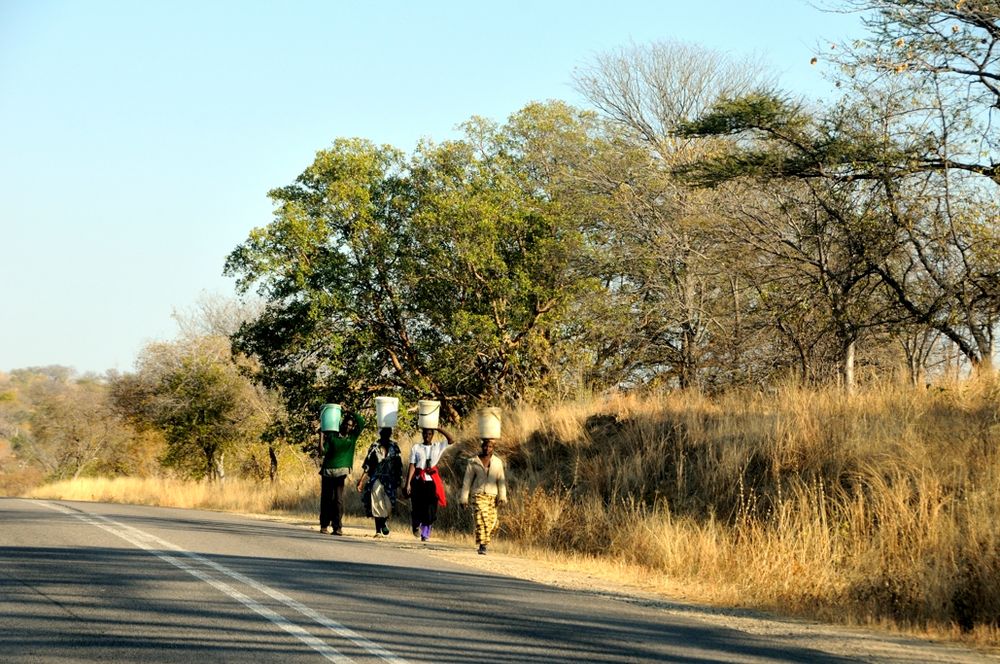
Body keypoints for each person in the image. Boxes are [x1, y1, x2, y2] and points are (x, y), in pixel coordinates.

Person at [318, 409, 365, 536]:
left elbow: (362, 422)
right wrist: (321, 436)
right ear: (341, 424)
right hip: (328, 471)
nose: (347, 427)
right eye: (346, 424)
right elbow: (322, 452)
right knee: (327, 498)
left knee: (338, 500)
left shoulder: (352, 437)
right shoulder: (333, 436)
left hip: (341, 471)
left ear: (352, 427)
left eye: (350, 425)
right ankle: (324, 525)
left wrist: (350, 411)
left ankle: (337, 527)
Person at [405, 426, 454, 542]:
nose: (427, 436)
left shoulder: (437, 446)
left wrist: (438, 428)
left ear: (433, 435)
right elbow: (412, 465)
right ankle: (416, 524)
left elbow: (451, 440)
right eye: (425, 434)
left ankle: (425, 534)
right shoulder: (416, 448)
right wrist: (408, 483)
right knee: (417, 506)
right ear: (422, 435)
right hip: (418, 481)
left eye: (430, 434)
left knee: (431, 508)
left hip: (431, 481)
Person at [459, 438, 507, 555]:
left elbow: (501, 481)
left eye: (490, 447)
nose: (487, 449)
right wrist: (464, 498)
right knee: (481, 520)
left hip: (492, 496)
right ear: (482, 447)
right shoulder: (474, 461)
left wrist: (502, 497)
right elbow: (467, 481)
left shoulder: (497, 462)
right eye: (485, 446)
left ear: (493, 448)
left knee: (493, 523)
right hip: (478, 495)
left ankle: (485, 541)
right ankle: (482, 545)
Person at [355, 427, 403, 537]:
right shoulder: (374, 447)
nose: (386, 434)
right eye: (384, 432)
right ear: (380, 433)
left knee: (389, 503)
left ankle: (383, 522)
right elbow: (368, 465)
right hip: (376, 478)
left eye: (388, 432)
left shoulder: (394, 447)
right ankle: (378, 530)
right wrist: (361, 481)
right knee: (376, 503)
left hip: (390, 479)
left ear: (390, 433)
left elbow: (398, 465)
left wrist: (399, 479)